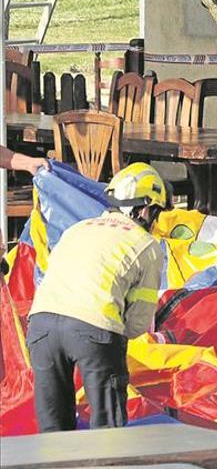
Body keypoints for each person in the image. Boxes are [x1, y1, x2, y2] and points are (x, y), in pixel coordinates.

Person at [26, 162, 168, 432]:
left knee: (53, 433)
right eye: (157, 213)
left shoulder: (78, 228)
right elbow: (137, 324)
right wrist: (113, 339)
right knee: (107, 434)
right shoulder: (147, 245)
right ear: (146, 209)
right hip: (94, 327)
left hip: (41, 326)